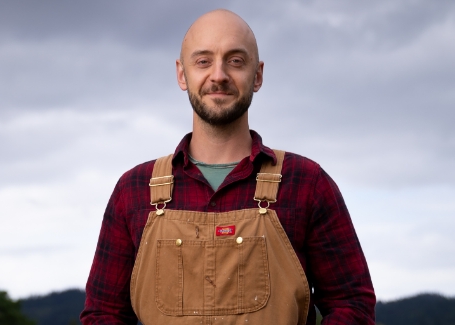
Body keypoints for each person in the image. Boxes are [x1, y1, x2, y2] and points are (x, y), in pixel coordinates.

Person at [81, 9, 376, 325]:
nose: (218, 75)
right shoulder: (133, 190)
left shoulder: (307, 183)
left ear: (258, 75)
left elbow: (352, 306)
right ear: (182, 74)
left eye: (235, 61)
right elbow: (103, 315)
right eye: (203, 61)